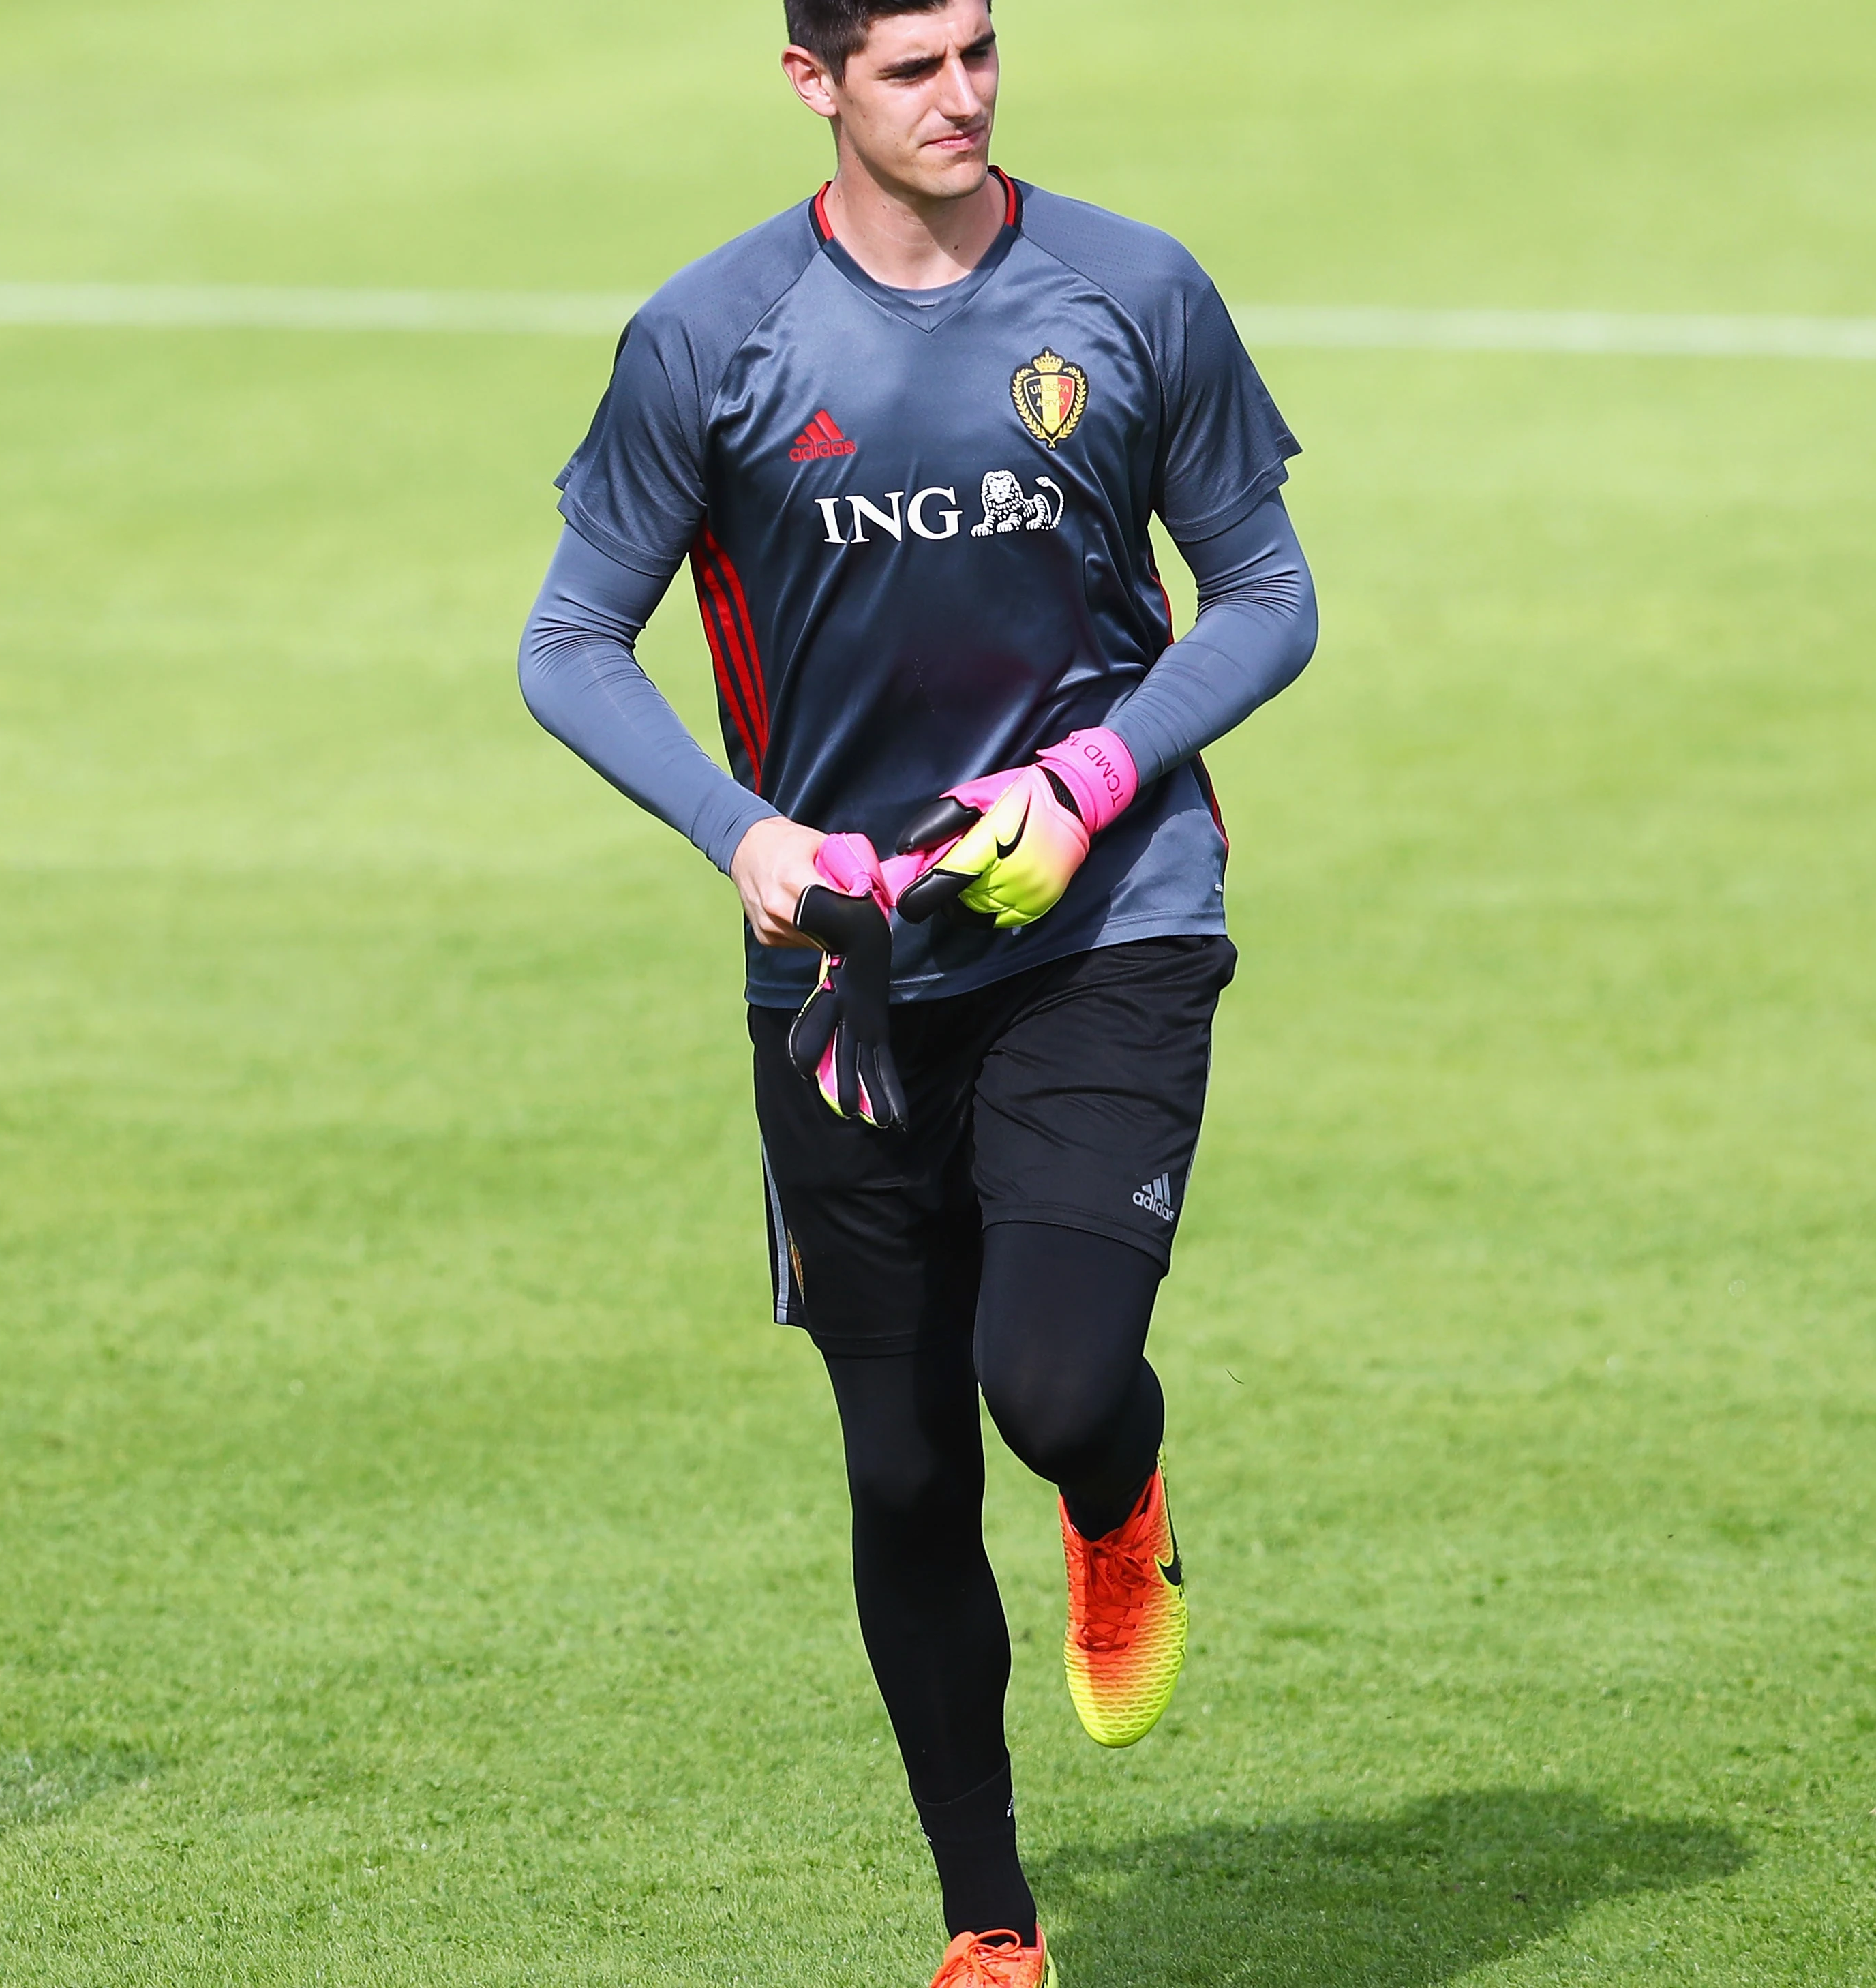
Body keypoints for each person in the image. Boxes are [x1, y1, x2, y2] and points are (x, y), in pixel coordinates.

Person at [519, 3, 1316, 1980]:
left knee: (1046, 1385)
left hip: (1108, 914)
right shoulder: (708, 338)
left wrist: (1094, 775)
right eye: (911, 66)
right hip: (847, 971)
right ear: (813, 82)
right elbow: (567, 644)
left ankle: (1119, 1498)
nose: (961, 95)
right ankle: (992, 1929)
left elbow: (1271, 597)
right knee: (898, 1460)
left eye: (980, 49)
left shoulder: (1132, 293)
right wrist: (744, 835)